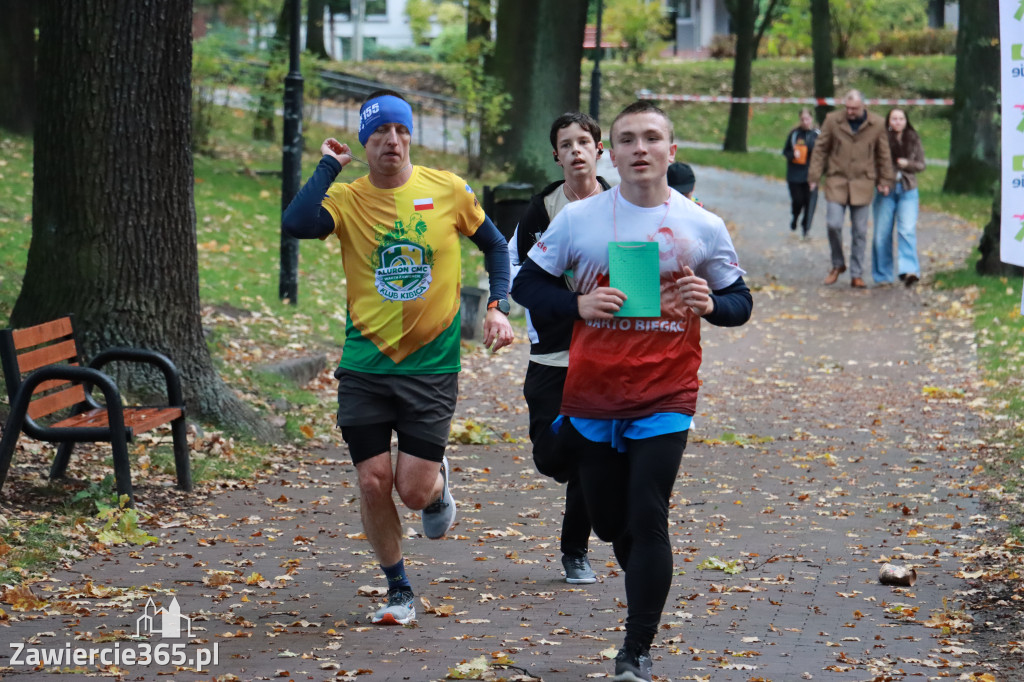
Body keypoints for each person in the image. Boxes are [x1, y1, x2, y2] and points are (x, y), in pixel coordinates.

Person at [511, 101, 752, 682]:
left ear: (672, 150)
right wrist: (576, 304)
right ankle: (565, 446)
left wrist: (712, 305)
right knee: (610, 523)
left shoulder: (702, 225)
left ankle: (635, 650)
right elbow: (525, 283)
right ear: (609, 154)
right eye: (627, 140)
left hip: (666, 393)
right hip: (593, 392)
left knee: (648, 517)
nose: (639, 149)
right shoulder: (579, 219)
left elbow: (740, 302)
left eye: (651, 138)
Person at [281, 89, 515, 626]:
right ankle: (398, 589)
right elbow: (296, 223)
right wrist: (327, 166)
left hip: (431, 367)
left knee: (411, 490)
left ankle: (436, 486)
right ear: (364, 143)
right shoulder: (346, 199)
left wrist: (498, 307)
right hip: (365, 363)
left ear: (411, 136)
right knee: (370, 480)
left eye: (401, 130)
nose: (392, 140)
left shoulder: (447, 190)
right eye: (380, 132)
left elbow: (498, 246)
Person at [509, 112, 611, 585]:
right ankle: (585, 463)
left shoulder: (620, 203)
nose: (575, 150)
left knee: (592, 454)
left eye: (583, 142)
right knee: (553, 457)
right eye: (565, 144)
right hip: (551, 350)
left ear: (598, 150)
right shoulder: (543, 209)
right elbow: (523, 278)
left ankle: (576, 551)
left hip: (606, 350)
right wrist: (571, 305)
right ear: (557, 154)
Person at [807, 89, 895, 289]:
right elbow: (820, 149)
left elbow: (883, 154)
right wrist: (814, 176)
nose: (850, 112)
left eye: (854, 108)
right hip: (837, 181)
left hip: (863, 182)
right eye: (847, 107)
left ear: (864, 106)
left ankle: (857, 273)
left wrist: (885, 179)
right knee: (833, 224)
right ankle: (838, 264)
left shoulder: (877, 124)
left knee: (860, 231)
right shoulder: (832, 120)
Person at [872, 108, 925, 287]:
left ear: (906, 121)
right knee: (882, 234)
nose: (897, 122)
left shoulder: (913, 138)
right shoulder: (881, 138)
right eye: (894, 119)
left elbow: (921, 164)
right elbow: (874, 164)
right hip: (886, 190)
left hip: (908, 189)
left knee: (907, 230)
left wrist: (907, 163)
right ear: (888, 121)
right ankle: (882, 275)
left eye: (901, 119)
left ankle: (909, 271)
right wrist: (880, 181)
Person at [781, 108, 819, 235]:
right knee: (798, 200)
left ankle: (805, 228)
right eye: (802, 119)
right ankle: (795, 216)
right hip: (795, 174)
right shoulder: (794, 134)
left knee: (809, 202)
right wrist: (793, 155)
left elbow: (822, 155)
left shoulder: (817, 135)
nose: (805, 122)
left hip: (810, 175)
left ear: (811, 119)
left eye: (807, 119)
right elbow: (785, 151)